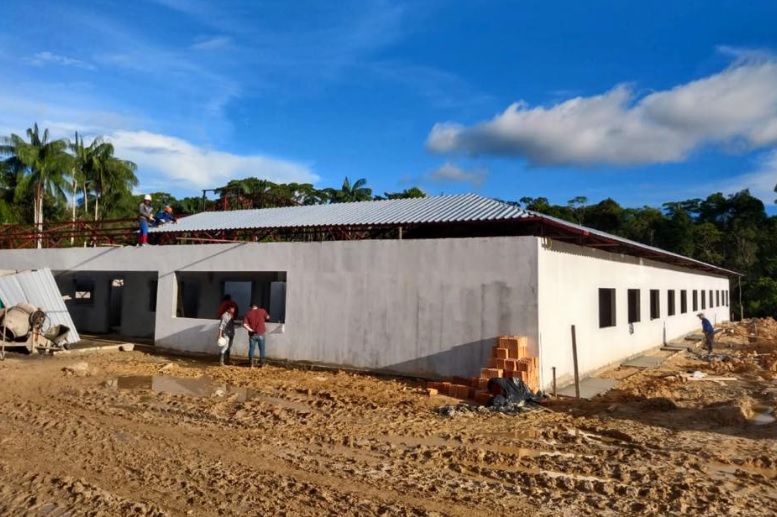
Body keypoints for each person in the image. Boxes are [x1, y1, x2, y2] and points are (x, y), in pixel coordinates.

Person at [243, 303, 270, 368]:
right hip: (261, 333)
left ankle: (251, 364)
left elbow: (244, 324)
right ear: (256, 307)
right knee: (262, 349)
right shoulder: (262, 311)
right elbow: (268, 317)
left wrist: (250, 330)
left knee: (251, 349)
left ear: (251, 307)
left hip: (252, 335)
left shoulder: (247, 314)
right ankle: (262, 364)